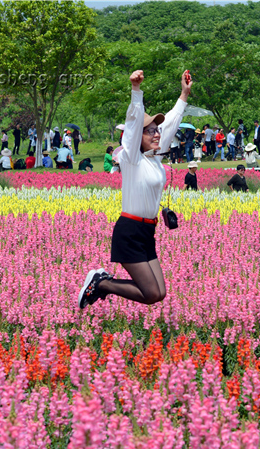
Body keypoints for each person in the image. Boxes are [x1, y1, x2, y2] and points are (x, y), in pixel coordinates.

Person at [77, 68, 192, 308]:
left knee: (159, 293)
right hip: (129, 231)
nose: (156, 134)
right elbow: (132, 124)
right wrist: (136, 91)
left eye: (156, 130)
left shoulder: (155, 157)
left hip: (147, 232)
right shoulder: (131, 159)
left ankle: (102, 283)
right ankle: (101, 284)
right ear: (137, 136)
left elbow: (170, 122)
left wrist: (184, 94)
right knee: (150, 294)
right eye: (150, 131)